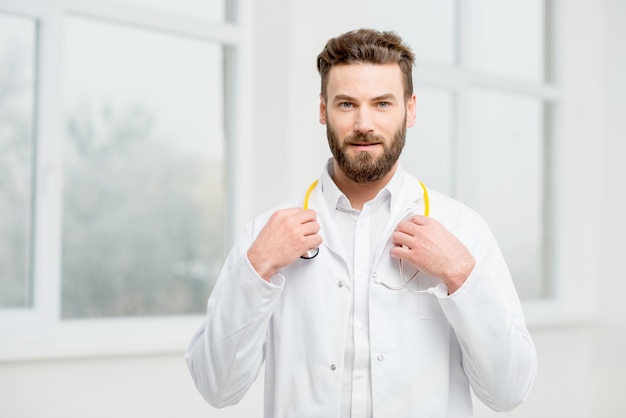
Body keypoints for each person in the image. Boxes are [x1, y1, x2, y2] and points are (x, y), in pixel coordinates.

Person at [186, 28, 537, 417]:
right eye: (346, 104)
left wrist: (460, 275)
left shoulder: (463, 230)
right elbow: (216, 389)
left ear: (411, 109)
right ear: (323, 110)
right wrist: (254, 270)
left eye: (383, 103)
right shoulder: (265, 236)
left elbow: (508, 391)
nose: (364, 124)